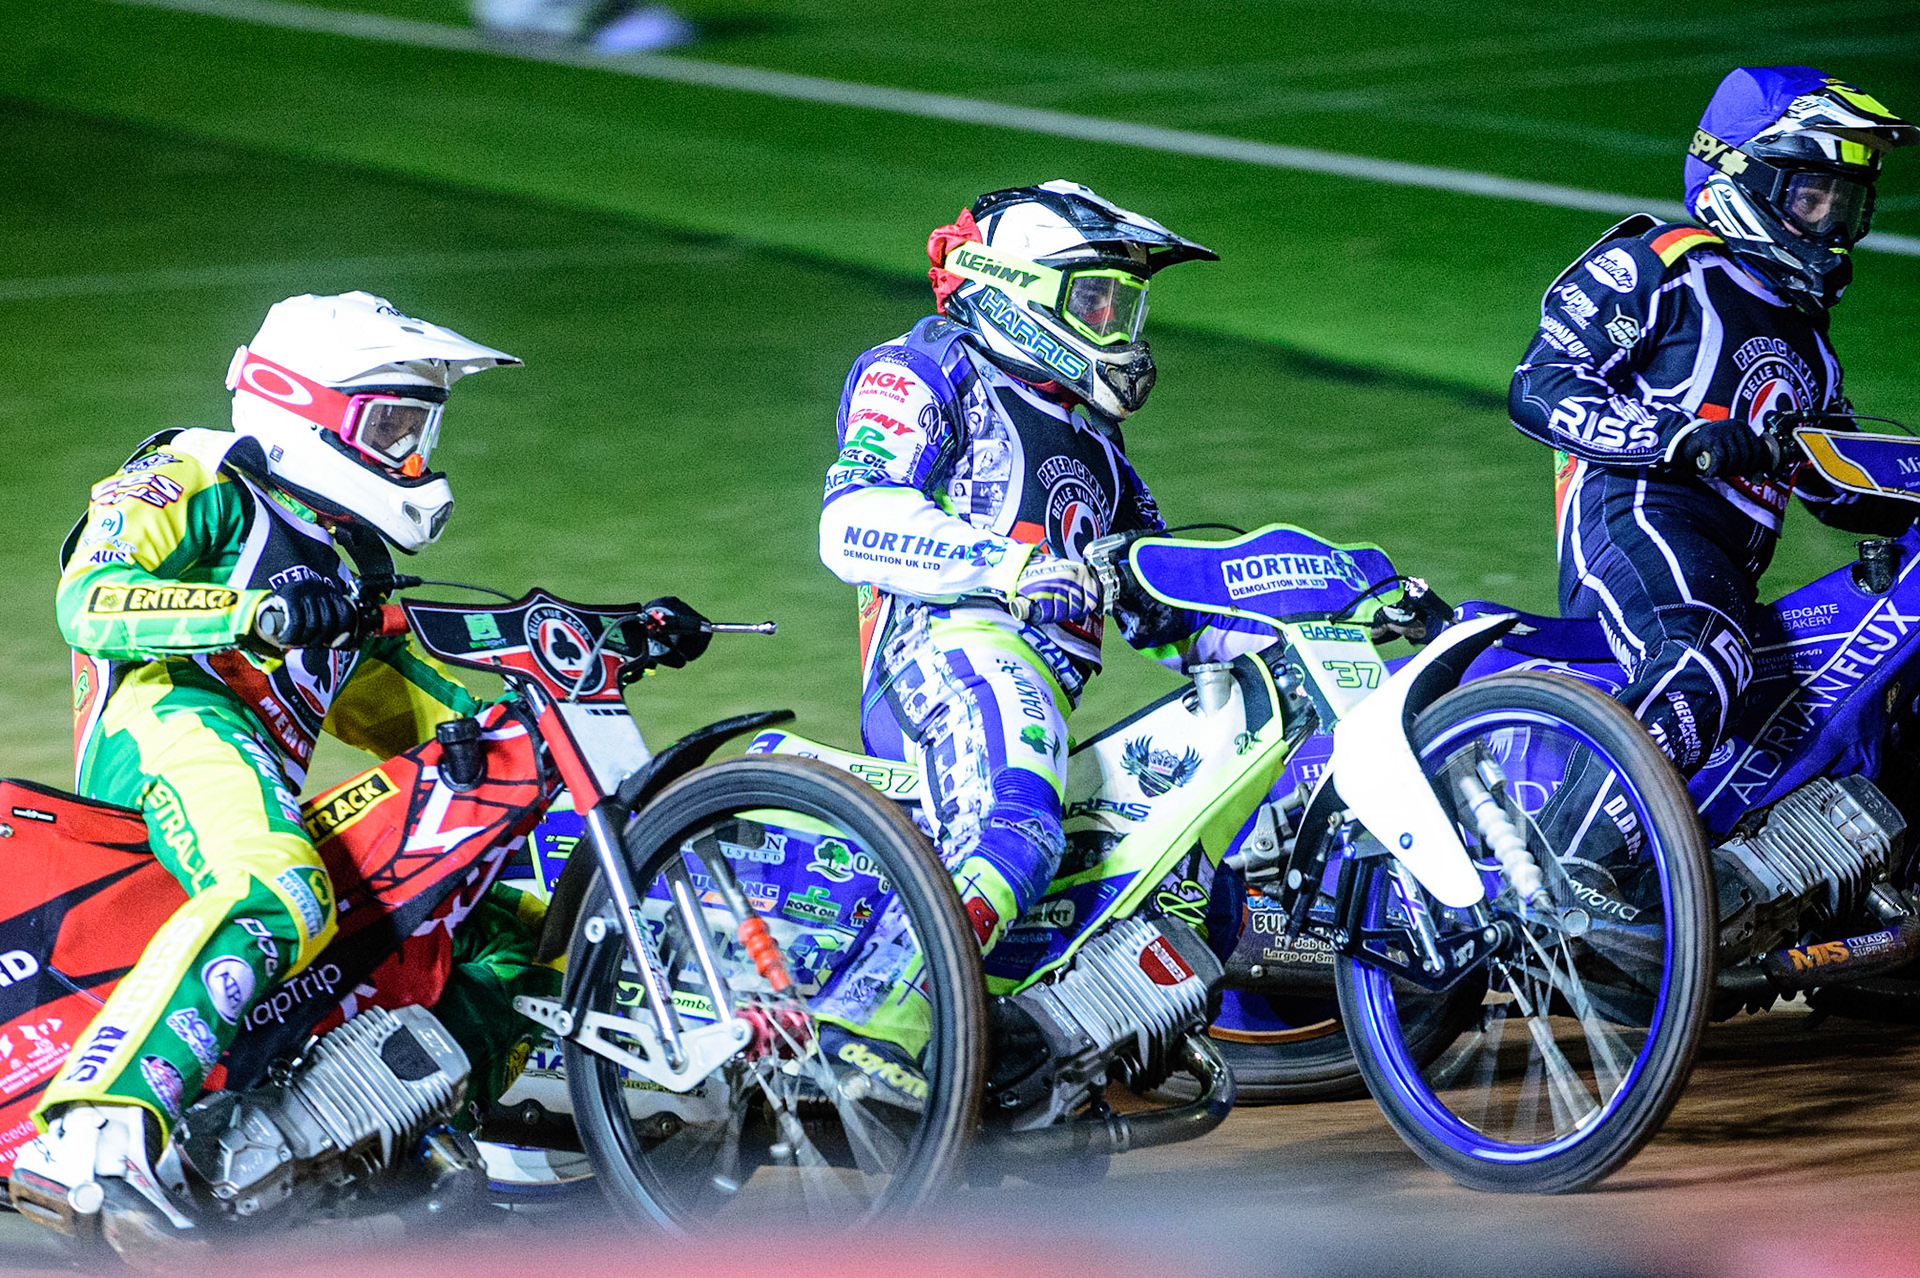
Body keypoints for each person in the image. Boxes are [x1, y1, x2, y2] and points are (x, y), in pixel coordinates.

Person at [10, 291, 521, 1251]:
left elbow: (412, 704)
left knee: (494, 899)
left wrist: (545, 713)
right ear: (305, 410)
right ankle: (89, 1141)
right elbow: (91, 602)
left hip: (253, 777)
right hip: (167, 719)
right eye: (392, 428)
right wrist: (246, 615)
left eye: (420, 429)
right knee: (278, 885)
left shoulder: (340, 560)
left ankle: (435, 1127)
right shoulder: (195, 469)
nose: (411, 456)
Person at [812, 181, 1266, 1087]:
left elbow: (1153, 590)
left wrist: (1263, 648)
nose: (1117, 323)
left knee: (1184, 866)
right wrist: (1004, 567)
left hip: (1042, 688)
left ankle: (1037, 1055)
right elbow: (851, 521)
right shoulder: (923, 368)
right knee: (1014, 831)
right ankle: (868, 1027)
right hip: (950, 649)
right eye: (1095, 299)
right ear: (1013, 289)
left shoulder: (1094, 433)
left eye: (1124, 304)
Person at [1509, 67, 1916, 774]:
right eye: (1811, 196)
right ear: (1742, 180)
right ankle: (1582, 869)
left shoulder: (1811, 345)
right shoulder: (1662, 264)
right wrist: (1677, 436)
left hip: (1727, 572)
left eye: (1845, 203)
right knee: (1704, 659)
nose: (1833, 223)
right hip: (1638, 520)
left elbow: (1840, 486)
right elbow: (1539, 386)